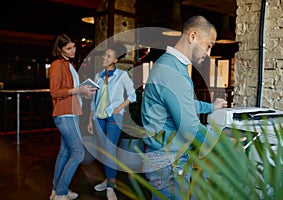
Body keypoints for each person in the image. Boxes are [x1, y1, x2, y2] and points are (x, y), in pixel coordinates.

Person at [141, 16, 228, 199]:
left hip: (164, 157)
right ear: (193, 36)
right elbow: (190, 127)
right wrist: (226, 145)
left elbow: (183, 104)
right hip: (169, 161)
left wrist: (210, 107)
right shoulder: (173, 73)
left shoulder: (171, 65)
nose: (209, 53)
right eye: (209, 45)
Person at [48, 33, 97, 200]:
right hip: (65, 114)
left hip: (72, 113)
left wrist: (84, 93)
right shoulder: (57, 65)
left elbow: (71, 90)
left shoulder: (68, 64)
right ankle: (61, 192)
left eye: (74, 47)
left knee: (65, 152)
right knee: (78, 153)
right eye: (68, 48)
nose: (73, 50)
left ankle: (57, 190)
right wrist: (79, 90)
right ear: (60, 49)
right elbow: (55, 92)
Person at [87, 42, 136, 200]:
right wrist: (90, 120)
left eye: (108, 56)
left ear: (115, 60)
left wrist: (119, 108)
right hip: (98, 118)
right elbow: (94, 100)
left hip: (114, 117)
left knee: (109, 150)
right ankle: (109, 180)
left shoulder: (122, 75)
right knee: (104, 151)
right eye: (104, 55)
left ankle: (110, 187)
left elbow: (132, 95)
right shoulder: (97, 76)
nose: (104, 57)